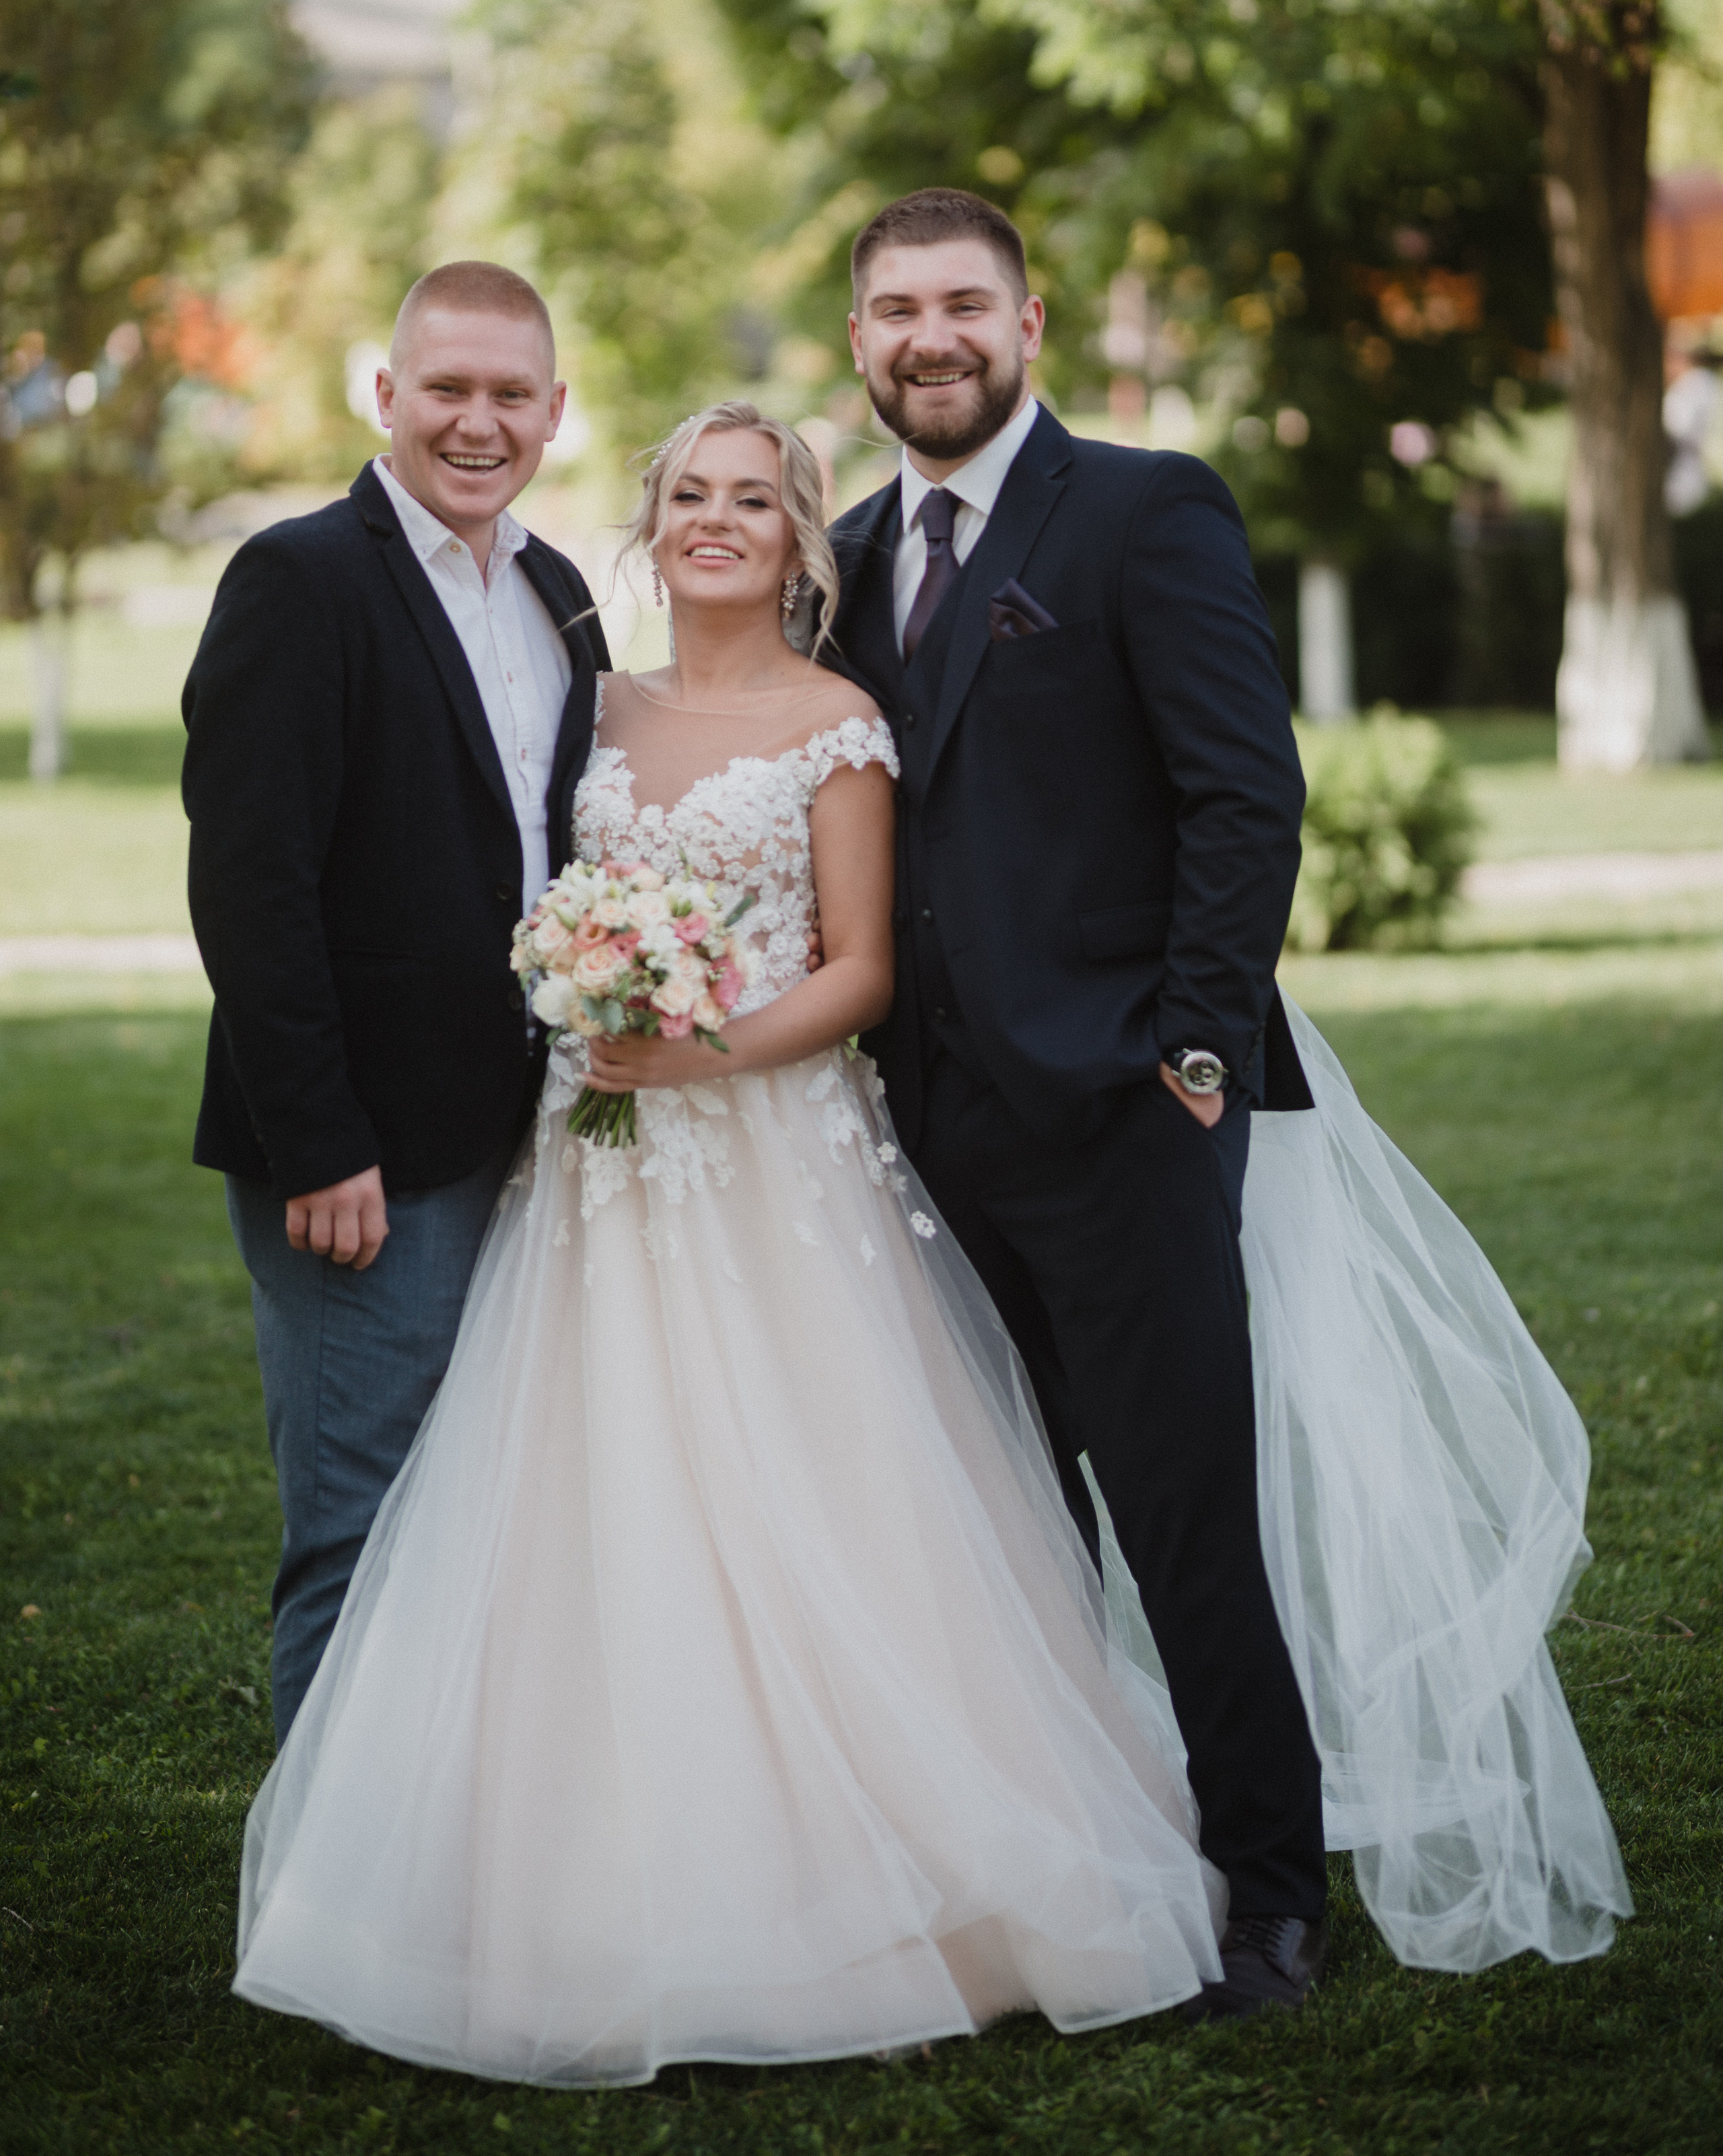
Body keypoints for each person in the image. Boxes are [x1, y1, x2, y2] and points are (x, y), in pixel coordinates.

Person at [232, 401, 1626, 2088]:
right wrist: (582, 994)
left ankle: (1182, 1874)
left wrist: (705, 1045)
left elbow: (863, 964)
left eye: (753, 498)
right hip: (597, 1188)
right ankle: (576, 1874)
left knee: (878, 1501)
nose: (716, 521)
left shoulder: (842, 721)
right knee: (592, 1505)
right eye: (687, 495)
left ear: (804, 535)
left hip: (802, 1152)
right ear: (646, 520)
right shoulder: (582, 705)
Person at [824, 186, 1626, 2015]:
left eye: (962, 302)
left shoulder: (1141, 509)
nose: (928, 335)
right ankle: (1068, 1860)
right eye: (894, 309)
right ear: (860, 340)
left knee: (1189, 1520)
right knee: (1006, 1529)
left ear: (1029, 325)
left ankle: (1266, 1889)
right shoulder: (850, 554)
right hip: (920, 1139)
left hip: (1122, 1120)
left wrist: (1188, 1055)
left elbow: (1244, 797)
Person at [183, 260, 608, 1743]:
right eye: (448, 389)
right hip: (361, 1160)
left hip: (529, 1139)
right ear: (387, 395)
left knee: (492, 1520)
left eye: (509, 395)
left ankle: (450, 1867)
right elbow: (250, 886)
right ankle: (328, 1919)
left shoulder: (559, 594)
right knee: (359, 1532)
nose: (476, 423)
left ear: (554, 411)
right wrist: (319, 1141)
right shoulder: (299, 581)